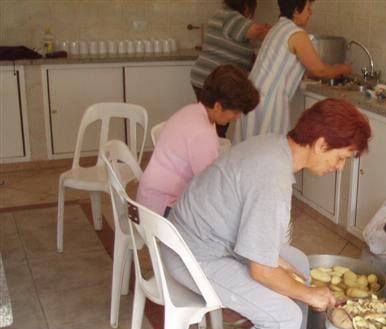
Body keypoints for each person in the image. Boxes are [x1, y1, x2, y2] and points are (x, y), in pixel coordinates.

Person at [164, 98, 371, 329]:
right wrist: (310, 295)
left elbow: (247, 225)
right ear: (320, 144)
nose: (339, 167)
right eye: (341, 157)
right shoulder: (272, 177)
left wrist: (286, 270)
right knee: (284, 316)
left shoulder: (275, 145)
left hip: (203, 234)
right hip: (194, 255)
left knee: (297, 261)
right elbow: (260, 271)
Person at [136, 65, 259, 216]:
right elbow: (210, 188)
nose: (237, 117)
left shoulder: (193, 110)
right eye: (235, 112)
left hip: (150, 198)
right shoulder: (202, 133)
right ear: (218, 106)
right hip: (160, 211)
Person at [234, 0, 352, 142]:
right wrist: (342, 68)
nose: (311, 12)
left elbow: (290, 64)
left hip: (253, 97)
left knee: (250, 149)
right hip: (269, 103)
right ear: (296, 10)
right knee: (269, 150)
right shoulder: (296, 34)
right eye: (308, 8)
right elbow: (319, 70)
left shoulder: (278, 27)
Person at [190, 0, 269, 100]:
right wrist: (280, 31)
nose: (249, 17)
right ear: (246, 7)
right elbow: (258, 31)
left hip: (207, 78)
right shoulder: (231, 17)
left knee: (211, 109)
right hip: (212, 80)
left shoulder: (224, 14)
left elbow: (237, 48)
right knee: (217, 109)